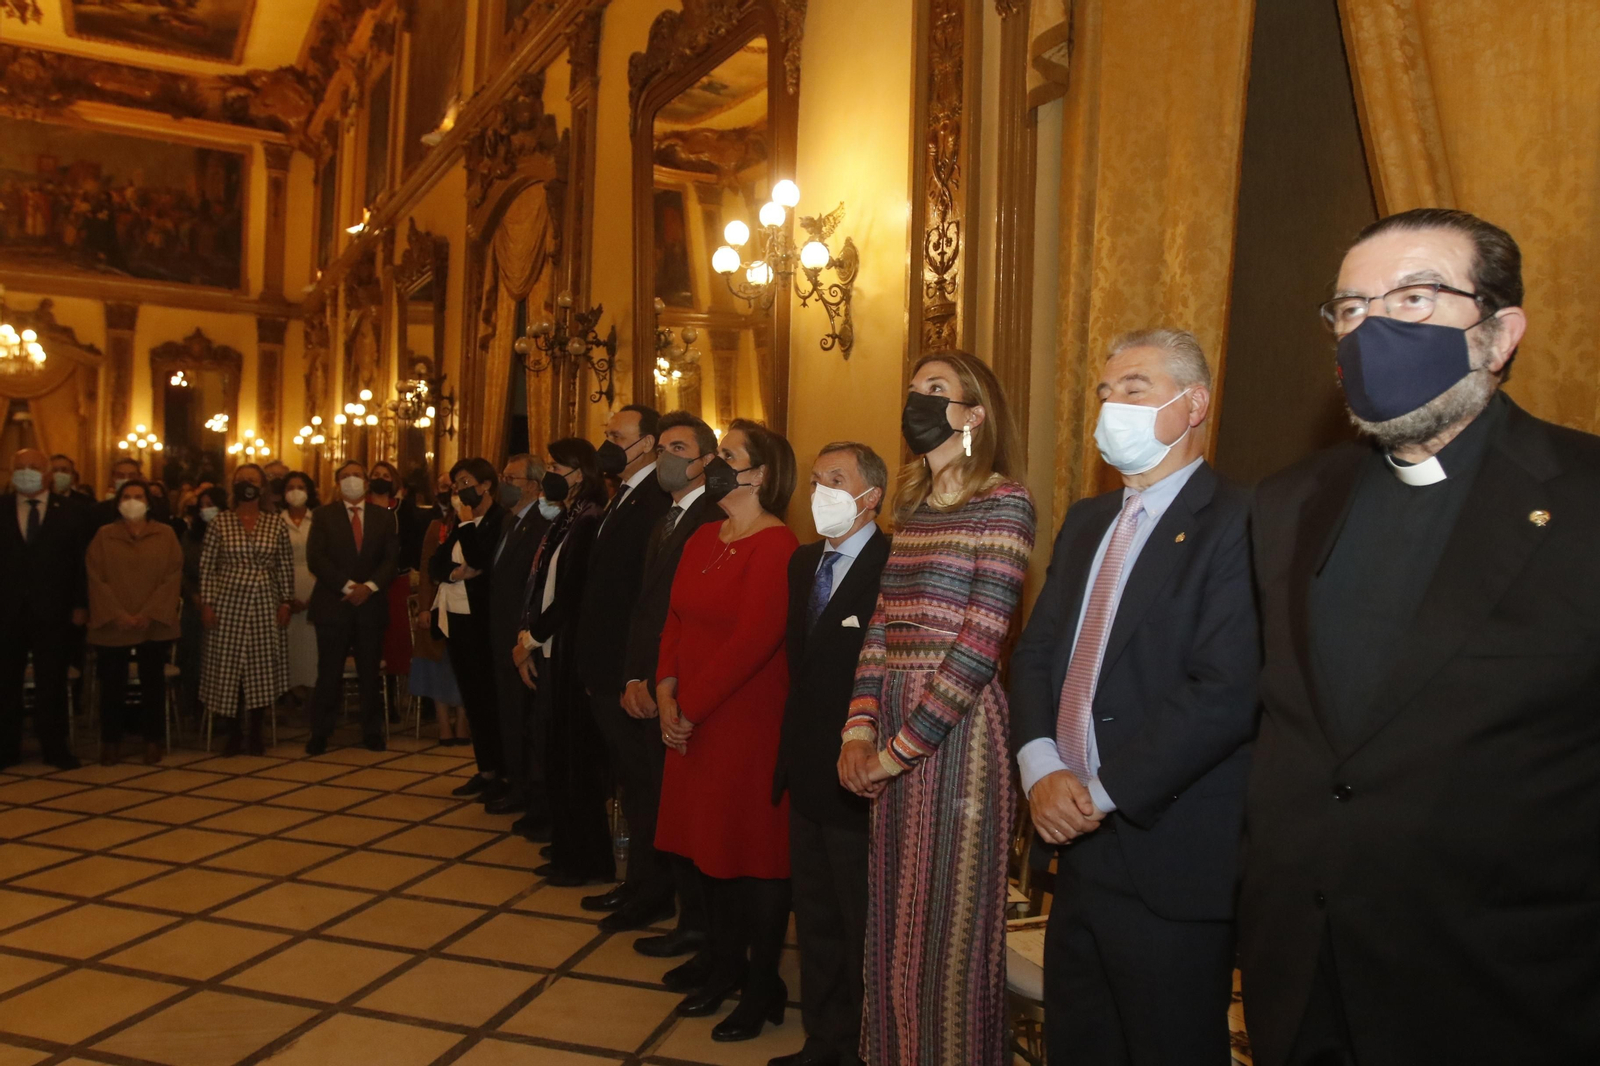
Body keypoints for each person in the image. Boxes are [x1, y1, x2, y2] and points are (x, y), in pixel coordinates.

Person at [1242, 208, 1600, 1065]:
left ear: (1500, 332)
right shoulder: (1287, 502)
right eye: (1352, 308)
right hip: (1303, 978)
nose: (1372, 330)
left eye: (1414, 299)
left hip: (1506, 988)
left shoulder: (1587, 498)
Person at [1009, 329, 1259, 1065]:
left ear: (1194, 404)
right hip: (1074, 851)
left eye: (1135, 388)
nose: (1111, 406)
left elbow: (1223, 690)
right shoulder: (1089, 521)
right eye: (1105, 391)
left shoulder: (1241, 522)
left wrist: (1097, 792)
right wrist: (1039, 765)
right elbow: (1036, 654)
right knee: (1082, 1043)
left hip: (1170, 852)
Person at [839, 351, 1036, 1066]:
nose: (917, 399)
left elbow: (982, 643)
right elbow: (881, 629)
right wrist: (858, 732)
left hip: (959, 736)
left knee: (947, 936)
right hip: (891, 716)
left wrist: (894, 753)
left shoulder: (1005, 501)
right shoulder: (914, 508)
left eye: (936, 390)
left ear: (973, 414)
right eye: (914, 387)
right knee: (892, 926)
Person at [656, 419, 799, 1041]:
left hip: (745, 722)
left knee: (753, 857)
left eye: (728, 454)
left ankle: (762, 981)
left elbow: (754, 643)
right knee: (703, 851)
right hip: (690, 717)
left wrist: (691, 706)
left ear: (760, 473)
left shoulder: (778, 546)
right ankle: (720, 964)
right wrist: (665, 690)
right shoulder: (703, 536)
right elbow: (675, 620)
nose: (714, 462)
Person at [766, 441, 891, 1066]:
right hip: (806, 770)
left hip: (861, 773)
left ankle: (868, 1047)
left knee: (860, 924)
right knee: (813, 919)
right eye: (816, 480)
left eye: (835, 480)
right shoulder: (803, 562)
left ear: (870, 496)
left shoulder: (894, 564)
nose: (821, 492)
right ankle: (825, 1042)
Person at [614, 411, 721, 960]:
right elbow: (645, 610)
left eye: (680, 447)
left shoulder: (711, 519)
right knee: (650, 800)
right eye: (665, 447)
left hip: (680, 688)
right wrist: (635, 675)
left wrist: (663, 683)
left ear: (706, 461)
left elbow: (686, 618)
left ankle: (695, 922)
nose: (667, 457)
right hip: (651, 678)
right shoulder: (666, 519)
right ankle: (661, 901)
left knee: (679, 814)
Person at [573, 404, 671, 932]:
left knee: (643, 783)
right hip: (605, 664)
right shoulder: (624, 495)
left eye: (618, 435)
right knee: (631, 785)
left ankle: (651, 890)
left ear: (649, 442)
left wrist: (635, 672)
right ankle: (635, 883)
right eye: (606, 434)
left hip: (628, 669)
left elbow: (642, 597)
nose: (608, 442)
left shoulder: (656, 499)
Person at [514, 439, 612, 883]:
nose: (550, 472)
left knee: (575, 758)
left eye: (557, 465)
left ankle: (586, 857)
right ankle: (567, 843)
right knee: (554, 752)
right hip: (551, 647)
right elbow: (542, 582)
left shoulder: (590, 518)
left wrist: (532, 638)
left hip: (568, 647)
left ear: (580, 472)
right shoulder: (568, 516)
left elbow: (571, 591)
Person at [85, 479, 184, 765]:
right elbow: (96, 577)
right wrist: (118, 614)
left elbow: (171, 576)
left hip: (152, 622)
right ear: (117, 502)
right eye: (126, 496)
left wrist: (149, 613)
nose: (132, 501)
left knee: (152, 683)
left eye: (138, 496)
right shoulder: (105, 535)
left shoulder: (164, 534)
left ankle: (152, 740)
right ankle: (111, 741)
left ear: (148, 502)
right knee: (112, 684)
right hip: (113, 622)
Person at [1, 448, 88, 769]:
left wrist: (81, 604)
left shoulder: (71, 511)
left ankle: (54, 747)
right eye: (20, 466)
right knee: (5, 682)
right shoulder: (2, 507)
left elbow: (81, 563)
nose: (26, 472)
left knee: (51, 681)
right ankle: (6, 747)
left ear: (47, 474)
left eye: (33, 467)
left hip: (55, 611)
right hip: (7, 610)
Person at [197, 463, 293, 756]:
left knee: (260, 666)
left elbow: (284, 566)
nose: (247, 485)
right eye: (241, 480)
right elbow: (207, 567)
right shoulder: (220, 522)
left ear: (262, 487)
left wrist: (285, 601)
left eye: (252, 481)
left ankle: (256, 730)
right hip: (227, 600)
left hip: (264, 599)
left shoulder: (275, 523)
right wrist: (207, 603)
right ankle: (233, 731)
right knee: (229, 667)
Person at [305, 461, 400, 754]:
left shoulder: (383, 517)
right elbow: (316, 559)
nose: (351, 480)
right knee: (329, 671)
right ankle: (321, 731)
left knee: (370, 672)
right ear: (337, 483)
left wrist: (368, 588)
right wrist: (348, 587)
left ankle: (372, 731)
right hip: (334, 604)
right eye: (345, 477)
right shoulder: (323, 515)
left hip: (370, 606)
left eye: (356, 476)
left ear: (366, 482)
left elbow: (391, 559)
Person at [429, 458, 508, 798]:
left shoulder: (498, 521)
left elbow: (481, 561)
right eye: (456, 484)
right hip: (458, 621)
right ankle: (485, 769)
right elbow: (436, 564)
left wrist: (466, 529)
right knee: (472, 698)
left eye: (464, 482)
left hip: (484, 622)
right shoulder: (464, 521)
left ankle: (502, 773)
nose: (459, 491)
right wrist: (456, 572)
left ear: (485, 485)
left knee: (489, 699)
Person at [487, 453, 553, 824]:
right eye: (503, 476)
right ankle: (513, 779)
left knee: (523, 717)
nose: (505, 483)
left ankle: (527, 789)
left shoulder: (541, 524)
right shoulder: (511, 522)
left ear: (532, 484)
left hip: (521, 636)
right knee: (508, 714)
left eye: (511, 478)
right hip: (501, 634)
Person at [413, 476, 468, 745]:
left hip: (467, 608)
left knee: (465, 667)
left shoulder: (481, 526)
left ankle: (463, 725)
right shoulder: (436, 527)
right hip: (437, 606)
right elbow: (425, 569)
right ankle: (444, 725)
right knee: (438, 665)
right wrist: (424, 608)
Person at [368, 460, 419, 707]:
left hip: (397, 580)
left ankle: (394, 696)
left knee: (396, 635)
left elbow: (411, 542)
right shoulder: (362, 508)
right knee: (372, 635)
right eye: (376, 474)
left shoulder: (403, 509)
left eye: (385, 475)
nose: (380, 478)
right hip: (367, 583)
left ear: (393, 480)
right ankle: (375, 694)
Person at [178, 485, 227, 727]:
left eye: (212, 505)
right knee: (195, 658)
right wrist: (195, 595)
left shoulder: (233, 533)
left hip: (227, 602)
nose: (207, 510)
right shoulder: (191, 536)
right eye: (203, 505)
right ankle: (195, 708)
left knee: (223, 659)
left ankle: (223, 711)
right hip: (195, 603)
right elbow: (182, 571)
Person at [279, 472, 319, 699]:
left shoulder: (318, 519)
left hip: (314, 583)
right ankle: (290, 696)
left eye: (301, 487)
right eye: (290, 487)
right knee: (288, 646)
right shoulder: (275, 521)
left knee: (310, 647)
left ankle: (311, 698)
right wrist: (285, 598)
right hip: (284, 587)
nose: (296, 491)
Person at [91, 456, 144, 532]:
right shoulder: (97, 511)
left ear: (139, 477)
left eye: (132, 476)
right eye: (120, 476)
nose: (126, 479)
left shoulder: (154, 508)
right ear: (113, 478)